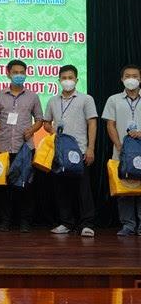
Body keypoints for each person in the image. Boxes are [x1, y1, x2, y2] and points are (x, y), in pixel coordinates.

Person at [43, 64, 97, 237]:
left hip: (80, 150)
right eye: (64, 78)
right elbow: (46, 122)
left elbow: (92, 123)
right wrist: (52, 130)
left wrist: (90, 148)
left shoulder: (86, 99)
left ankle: (87, 224)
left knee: (83, 189)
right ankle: (66, 222)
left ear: (76, 80)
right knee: (61, 189)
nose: (67, 81)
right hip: (59, 152)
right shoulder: (52, 101)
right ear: (59, 80)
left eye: (70, 78)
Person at [0, 60, 43, 233]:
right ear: (8, 73)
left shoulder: (33, 96)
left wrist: (32, 129)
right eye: (15, 72)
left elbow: (40, 119)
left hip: (25, 148)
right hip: (4, 147)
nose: (19, 75)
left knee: (25, 187)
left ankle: (25, 222)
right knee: (3, 188)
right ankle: (5, 221)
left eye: (22, 72)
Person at [102, 64, 141, 236]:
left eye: (135, 76)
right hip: (121, 152)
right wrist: (119, 145)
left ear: (140, 79)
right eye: (127, 76)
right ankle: (128, 225)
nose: (131, 79)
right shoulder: (114, 100)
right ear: (122, 79)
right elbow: (110, 124)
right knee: (124, 189)